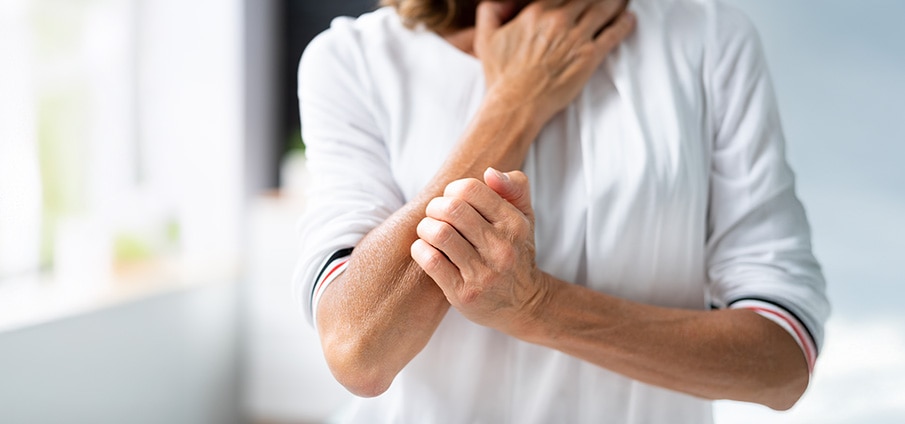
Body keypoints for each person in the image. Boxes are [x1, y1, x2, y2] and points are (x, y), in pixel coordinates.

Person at [294, 0, 830, 421]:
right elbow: (359, 350)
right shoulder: (350, 61)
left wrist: (536, 306)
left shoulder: (710, 42)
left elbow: (782, 363)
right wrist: (517, 99)